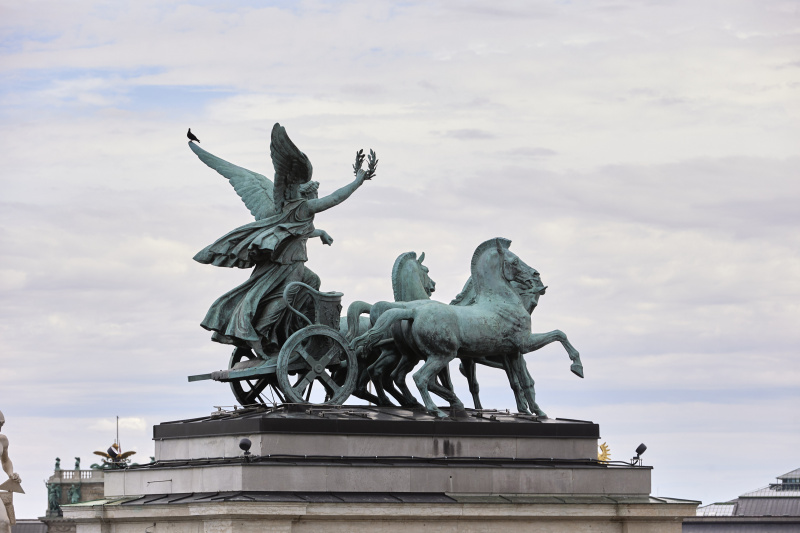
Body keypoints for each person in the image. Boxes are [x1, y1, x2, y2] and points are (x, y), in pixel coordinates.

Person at [195, 153, 372, 360]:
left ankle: (290, 328)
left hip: (285, 261)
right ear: (308, 195)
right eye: (315, 195)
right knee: (285, 295)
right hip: (290, 263)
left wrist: (320, 233)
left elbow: (295, 231)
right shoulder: (304, 208)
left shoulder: (287, 209)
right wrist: (358, 181)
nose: (317, 199)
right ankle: (260, 332)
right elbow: (335, 198)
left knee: (312, 281)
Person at [0, 410, 21, 533]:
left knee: (4, 522)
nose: (0, 428)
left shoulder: (2, 440)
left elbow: (5, 461)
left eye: (1, 425)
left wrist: (11, 474)